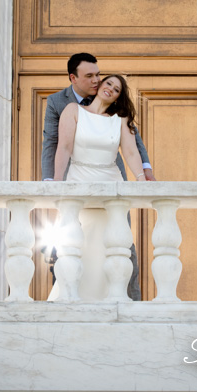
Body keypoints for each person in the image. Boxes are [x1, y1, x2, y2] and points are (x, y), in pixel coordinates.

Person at [41, 53, 155, 300]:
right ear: (74, 78)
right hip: (79, 181)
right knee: (73, 246)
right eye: (99, 81)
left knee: (117, 247)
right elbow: (59, 145)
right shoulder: (67, 107)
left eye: (114, 88)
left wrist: (142, 175)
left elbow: (132, 149)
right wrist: (54, 183)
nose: (100, 83)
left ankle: (124, 303)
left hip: (111, 183)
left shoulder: (119, 119)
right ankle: (69, 300)